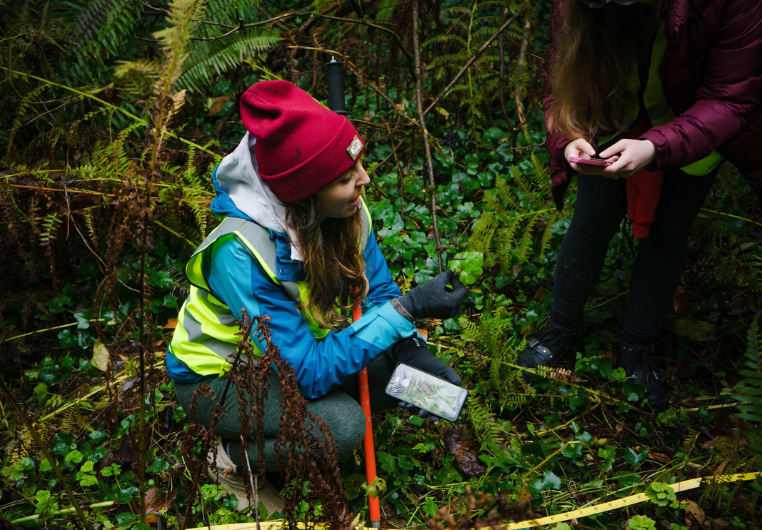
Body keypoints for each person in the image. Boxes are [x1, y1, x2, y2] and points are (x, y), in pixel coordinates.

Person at [165, 80, 468, 512]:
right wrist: (410, 310)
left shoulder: (344, 209)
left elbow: (376, 289)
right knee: (341, 428)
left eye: (359, 165)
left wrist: (413, 353)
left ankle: (296, 426)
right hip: (217, 380)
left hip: (289, 358)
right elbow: (306, 373)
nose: (364, 180)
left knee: (403, 380)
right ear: (306, 193)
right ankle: (229, 459)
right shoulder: (239, 252)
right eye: (346, 178)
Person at [518, 0, 762, 410]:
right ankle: (558, 329)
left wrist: (655, 146)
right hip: (614, 115)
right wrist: (568, 136)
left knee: (668, 234)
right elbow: (557, 83)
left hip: (696, 127)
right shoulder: (576, 6)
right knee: (592, 220)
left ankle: (636, 348)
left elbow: (731, 98)